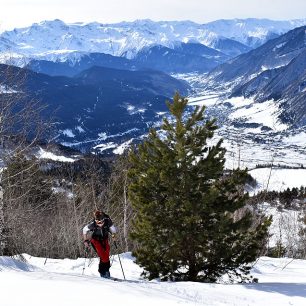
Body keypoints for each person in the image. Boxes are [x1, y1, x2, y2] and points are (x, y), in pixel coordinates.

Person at [83, 210, 117, 278]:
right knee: (102, 256)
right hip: (95, 241)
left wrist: (114, 237)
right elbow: (84, 230)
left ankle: (106, 271)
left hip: (105, 239)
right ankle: (102, 272)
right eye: (98, 222)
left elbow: (114, 230)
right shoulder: (92, 225)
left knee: (106, 255)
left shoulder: (108, 222)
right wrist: (85, 240)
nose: (100, 224)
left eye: (101, 222)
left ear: (103, 220)